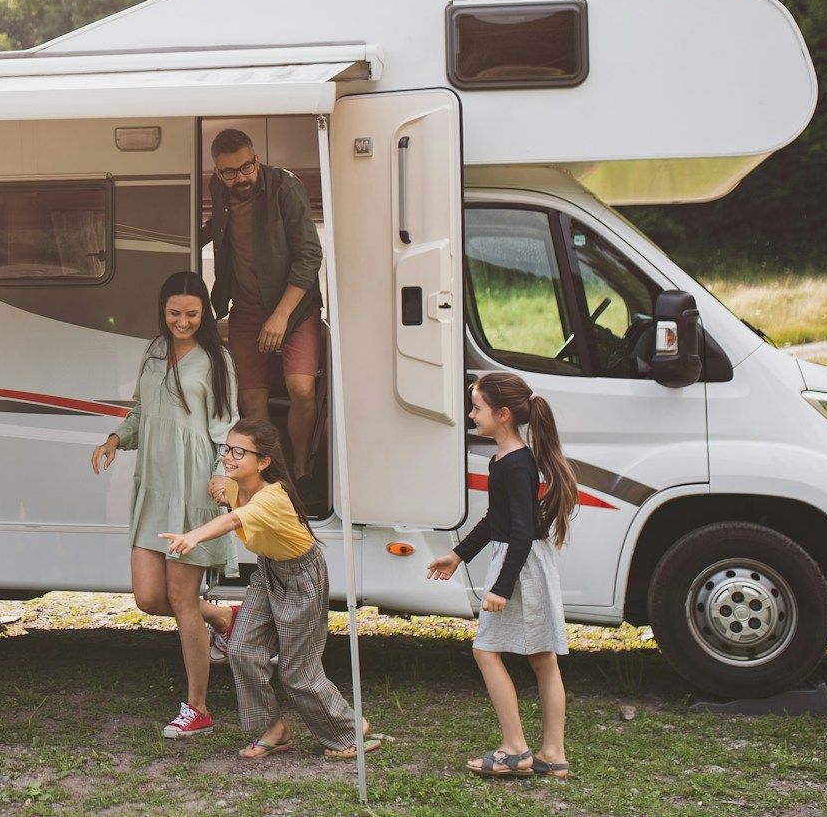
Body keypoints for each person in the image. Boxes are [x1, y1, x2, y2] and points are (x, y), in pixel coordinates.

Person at [162, 419, 377, 762]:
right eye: (227, 449)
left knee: (296, 671)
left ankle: (349, 729)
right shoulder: (235, 485)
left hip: (301, 577)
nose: (229, 458)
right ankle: (274, 729)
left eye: (239, 452)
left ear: (263, 462)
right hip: (268, 570)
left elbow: (233, 520)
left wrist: (194, 536)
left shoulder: (271, 498)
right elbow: (226, 494)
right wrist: (219, 484)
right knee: (242, 649)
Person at [91, 271, 238, 739]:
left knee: (179, 598)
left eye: (192, 314)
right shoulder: (153, 352)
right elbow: (141, 410)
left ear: (204, 315)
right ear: (163, 311)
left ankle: (198, 708)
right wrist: (115, 438)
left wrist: (222, 472)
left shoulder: (217, 359)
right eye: (174, 313)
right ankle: (221, 616)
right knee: (148, 598)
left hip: (193, 488)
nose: (182, 321)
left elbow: (227, 426)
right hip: (152, 486)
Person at [425, 372, 578, 780]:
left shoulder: (514, 464)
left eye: (477, 408)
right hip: (524, 561)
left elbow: (521, 533)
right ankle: (553, 754)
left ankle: (515, 748)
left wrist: (501, 588)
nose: (472, 415)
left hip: (520, 566)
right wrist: (457, 556)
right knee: (542, 658)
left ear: (504, 414)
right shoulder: (508, 459)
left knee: (486, 650)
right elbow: (499, 519)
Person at [201, 127, 325, 485]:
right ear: (217, 172)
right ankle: (279, 476)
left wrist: (281, 316)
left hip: (294, 309)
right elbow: (223, 228)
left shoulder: (285, 187)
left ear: (256, 159)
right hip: (246, 309)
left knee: (302, 390)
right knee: (252, 401)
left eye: (247, 167)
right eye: (229, 172)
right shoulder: (219, 189)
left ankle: (302, 470)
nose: (240, 177)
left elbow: (309, 254)